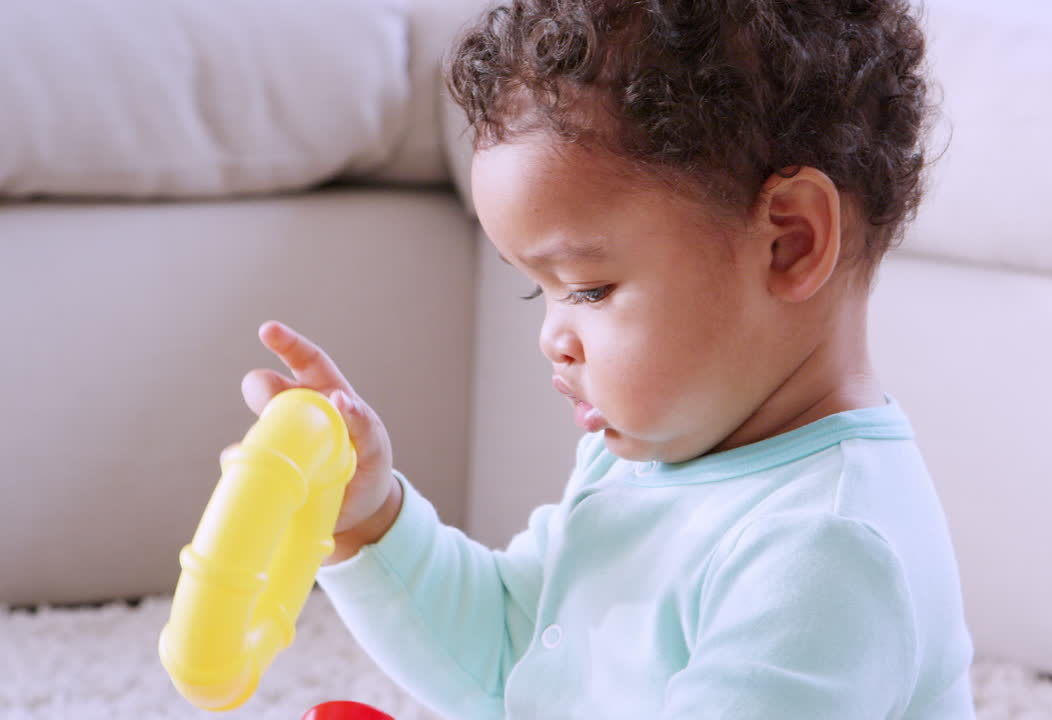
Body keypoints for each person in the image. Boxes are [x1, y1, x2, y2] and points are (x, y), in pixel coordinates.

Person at [236, 1, 975, 716]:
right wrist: (371, 520)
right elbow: (511, 662)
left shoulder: (823, 553)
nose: (551, 336)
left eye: (588, 289)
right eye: (540, 294)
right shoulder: (646, 456)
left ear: (791, 242)